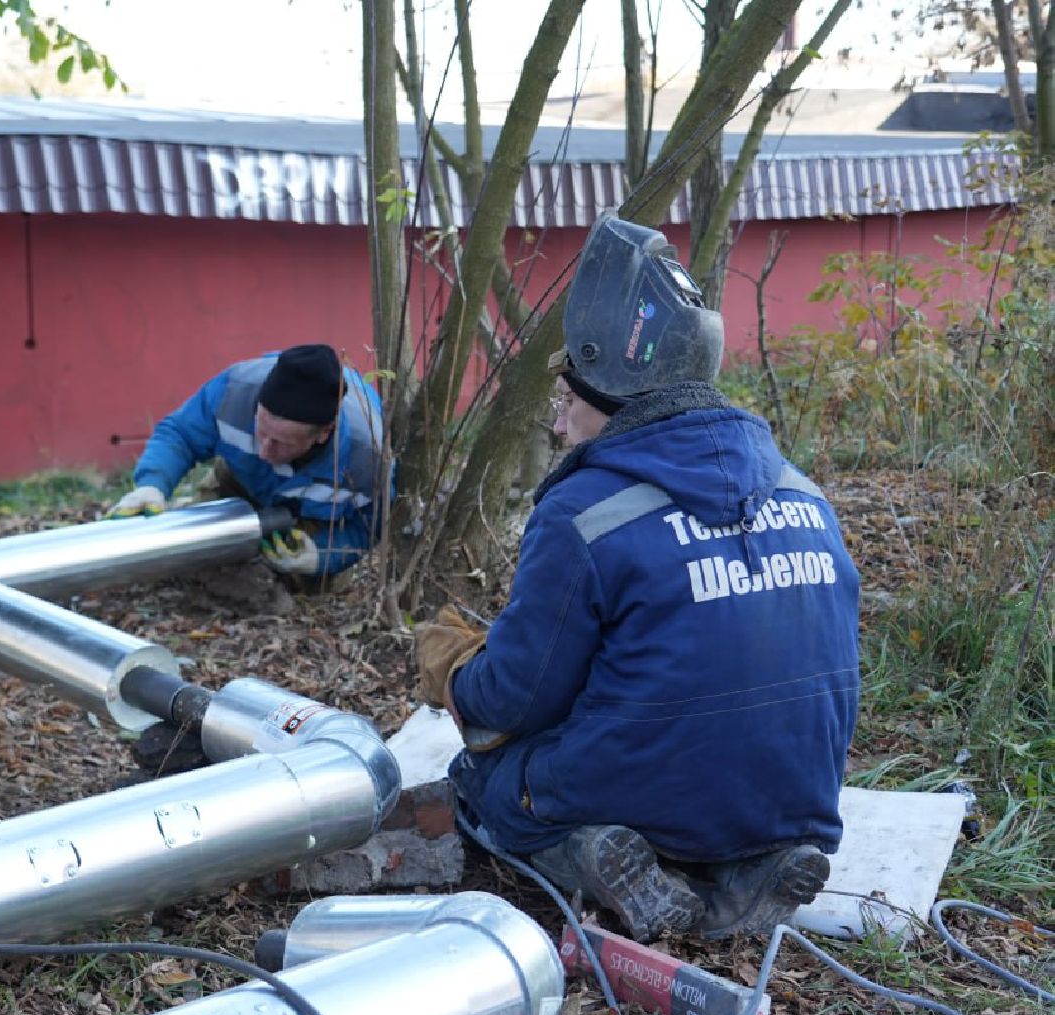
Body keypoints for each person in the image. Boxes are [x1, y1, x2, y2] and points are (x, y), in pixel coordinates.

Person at [414, 213, 860, 942]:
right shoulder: (802, 493)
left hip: (645, 794)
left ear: (610, 390)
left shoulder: (584, 511)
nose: (560, 427)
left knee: (482, 781)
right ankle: (747, 876)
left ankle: (592, 855)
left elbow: (513, 703)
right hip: (794, 796)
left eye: (566, 401)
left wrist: (455, 674)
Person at [108, 344, 389, 586]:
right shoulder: (234, 390)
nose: (265, 451)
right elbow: (180, 433)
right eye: (260, 431)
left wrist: (323, 557)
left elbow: (372, 525)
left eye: (280, 443)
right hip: (241, 480)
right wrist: (153, 485)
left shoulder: (368, 457)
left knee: (298, 588)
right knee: (194, 562)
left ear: (323, 433)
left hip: (317, 516)